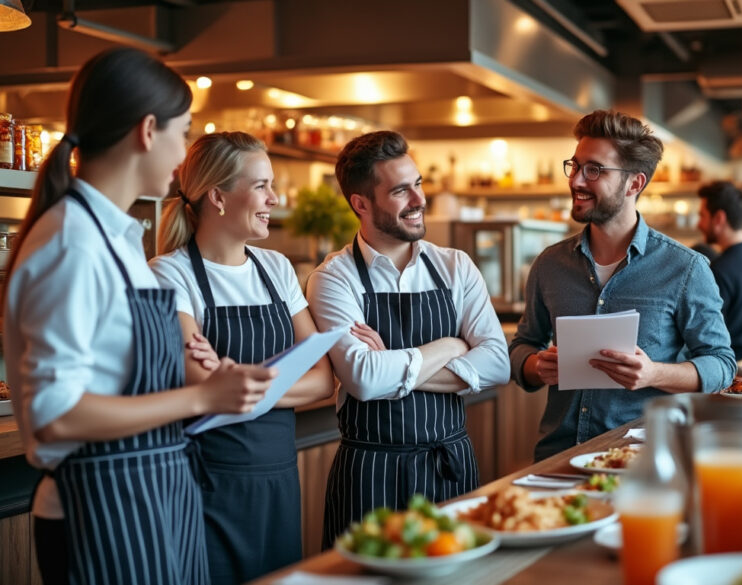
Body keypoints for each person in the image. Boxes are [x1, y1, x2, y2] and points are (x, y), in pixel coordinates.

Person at [2, 48, 276, 585]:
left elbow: (117, 368)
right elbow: (56, 415)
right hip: (102, 505)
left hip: (152, 492)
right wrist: (201, 397)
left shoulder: (118, 239)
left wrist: (181, 358)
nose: (182, 155)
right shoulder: (71, 243)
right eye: (184, 132)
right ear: (148, 131)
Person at [306, 130, 510, 547]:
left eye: (417, 184)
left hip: (449, 466)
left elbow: (498, 364)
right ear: (360, 204)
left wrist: (392, 364)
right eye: (401, 190)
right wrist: (452, 346)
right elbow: (363, 379)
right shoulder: (333, 278)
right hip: (369, 476)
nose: (419, 200)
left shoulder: (455, 266)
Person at [151, 132, 334, 583]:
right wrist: (229, 388)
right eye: (261, 186)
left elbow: (323, 379)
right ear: (218, 196)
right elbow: (203, 386)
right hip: (208, 481)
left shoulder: (275, 268)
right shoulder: (167, 273)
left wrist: (234, 386)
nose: (274, 197)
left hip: (278, 476)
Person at [509, 110, 735, 462]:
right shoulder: (550, 265)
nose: (577, 181)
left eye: (594, 170)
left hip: (645, 462)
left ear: (634, 184)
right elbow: (522, 346)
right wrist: (536, 366)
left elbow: (722, 365)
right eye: (575, 165)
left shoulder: (685, 268)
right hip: (559, 458)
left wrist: (654, 373)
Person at [697, 181, 742, 359]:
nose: (698, 224)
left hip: (732, 368)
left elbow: (709, 335)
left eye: (702, 216)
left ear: (719, 219)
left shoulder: (719, 268)